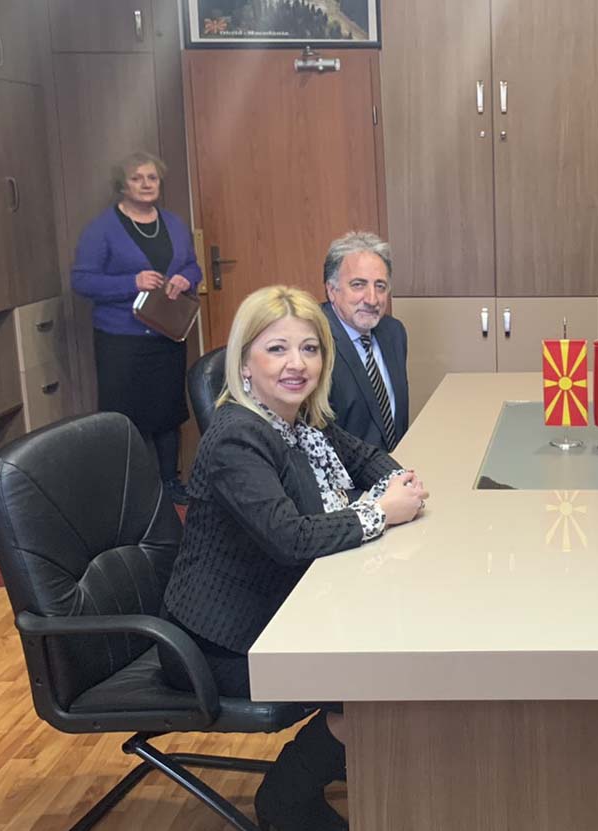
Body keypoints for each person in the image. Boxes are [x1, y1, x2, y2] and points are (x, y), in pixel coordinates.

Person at [160, 286, 428, 831]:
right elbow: (291, 539)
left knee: (404, 646)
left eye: (309, 349)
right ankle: (286, 799)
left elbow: (364, 457)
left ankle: (360, 758)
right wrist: (381, 513)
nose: (296, 364)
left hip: (284, 608)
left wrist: (398, 480)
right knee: (380, 681)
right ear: (245, 363)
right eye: (277, 349)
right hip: (222, 642)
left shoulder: (301, 419)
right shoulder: (237, 437)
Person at [70, 151, 202, 504]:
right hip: (121, 340)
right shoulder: (102, 228)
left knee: (168, 412)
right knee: (128, 416)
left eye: (152, 178)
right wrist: (133, 282)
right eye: (137, 178)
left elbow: (193, 267)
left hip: (167, 334)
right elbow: (82, 281)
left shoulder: (174, 224)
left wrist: (185, 279)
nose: (146, 184)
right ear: (122, 185)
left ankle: (170, 483)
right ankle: (136, 493)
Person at [320, 231, 409, 452]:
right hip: (345, 472)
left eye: (380, 286)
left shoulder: (394, 332)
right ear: (332, 290)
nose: (372, 299)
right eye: (358, 285)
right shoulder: (314, 342)